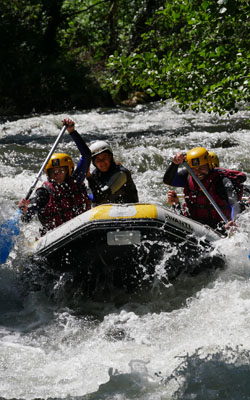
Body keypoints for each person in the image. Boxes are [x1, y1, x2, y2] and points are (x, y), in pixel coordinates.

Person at [19, 118, 92, 235]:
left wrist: (72, 131)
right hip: (56, 237)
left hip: (81, 231)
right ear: (48, 174)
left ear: (68, 171)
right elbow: (26, 218)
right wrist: (25, 209)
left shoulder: (76, 181)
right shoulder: (44, 193)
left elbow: (86, 155)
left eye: (61, 171)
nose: (56, 175)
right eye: (53, 172)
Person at [163, 147, 246, 231]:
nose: (198, 172)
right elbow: (168, 180)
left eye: (202, 167)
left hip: (219, 228)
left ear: (209, 165)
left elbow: (235, 204)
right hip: (194, 225)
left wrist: (233, 222)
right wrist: (175, 163)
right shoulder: (188, 176)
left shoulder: (222, 180)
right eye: (194, 169)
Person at [87, 140, 139, 205]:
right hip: (109, 210)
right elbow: (92, 196)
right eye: (98, 160)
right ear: (94, 163)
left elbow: (100, 198)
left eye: (104, 157)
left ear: (110, 157)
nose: (102, 162)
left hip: (129, 209)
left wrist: (89, 177)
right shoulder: (95, 175)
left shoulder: (121, 174)